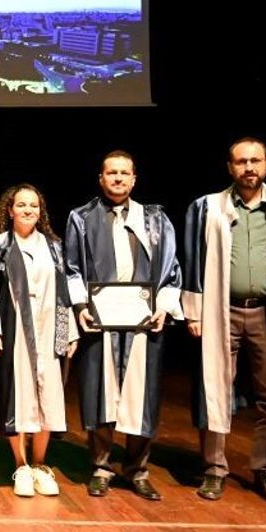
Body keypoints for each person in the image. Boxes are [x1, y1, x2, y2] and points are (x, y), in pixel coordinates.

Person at [183, 137, 266, 506]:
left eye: (255, 161)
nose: (249, 168)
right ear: (230, 167)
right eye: (241, 162)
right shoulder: (208, 208)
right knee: (214, 389)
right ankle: (213, 468)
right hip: (221, 312)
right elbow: (193, 260)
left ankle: (265, 469)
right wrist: (194, 311)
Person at [64, 151, 182, 501]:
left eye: (124, 173)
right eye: (111, 173)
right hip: (101, 320)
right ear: (100, 179)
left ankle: (137, 469)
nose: (117, 178)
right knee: (102, 392)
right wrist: (81, 306)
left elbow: (172, 269)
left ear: (134, 179)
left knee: (140, 396)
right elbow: (72, 267)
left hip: (143, 323)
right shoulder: (81, 218)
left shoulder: (156, 219)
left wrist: (163, 307)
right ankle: (101, 466)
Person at [0, 184, 78, 498]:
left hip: (48, 329)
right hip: (15, 329)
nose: (27, 210)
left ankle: (40, 464)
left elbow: (64, 291)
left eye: (33, 205)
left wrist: (69, 330)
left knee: (49, 397)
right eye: (21, 205)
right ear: (10, 210)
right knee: (17, 395)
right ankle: (20, 464)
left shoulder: (54, 247)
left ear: (40, 210)